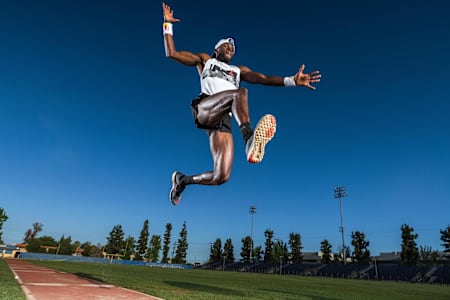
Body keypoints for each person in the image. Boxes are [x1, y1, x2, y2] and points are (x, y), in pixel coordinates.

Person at [162, 2, 321, 205]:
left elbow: (262, 78)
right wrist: (167, 23)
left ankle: (182, 181)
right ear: (215, 49)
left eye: (233, 47)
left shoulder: (238, 70)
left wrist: (291, 80)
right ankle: (249, 139)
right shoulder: (205, 60)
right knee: (239, 94)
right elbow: (172, 53)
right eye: (226, 44)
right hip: (206, 108)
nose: (231, 47)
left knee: (222, 176)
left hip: (224, 120)